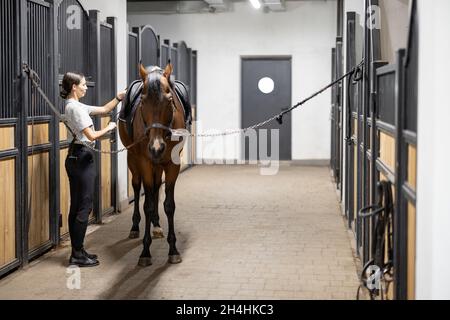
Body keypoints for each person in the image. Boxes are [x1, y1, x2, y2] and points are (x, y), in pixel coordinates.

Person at [61, 72, 126, 267]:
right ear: (74, 87)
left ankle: (78, 250)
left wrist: (118, 97)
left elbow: (105, 108)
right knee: (85, 206)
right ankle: (77, 255)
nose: (86, 87)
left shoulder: (76, 106)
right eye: (83, 84)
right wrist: (110, 128)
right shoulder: (75, 108)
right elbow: (91, 136)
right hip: (81, 157)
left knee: (77, 205)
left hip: (77, 156)